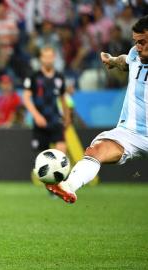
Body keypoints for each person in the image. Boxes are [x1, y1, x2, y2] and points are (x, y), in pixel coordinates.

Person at [46, 16, 148, 204]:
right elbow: (126, 61)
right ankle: (68, 186)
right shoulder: (135, 54)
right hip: (131, 133)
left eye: (142, 42)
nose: (138, 46)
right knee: (95, 151)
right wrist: (112, 60)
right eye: (136, 42)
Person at [23, 46, 70, 154]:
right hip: (40, 122)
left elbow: (63, 98)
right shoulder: (33, 77)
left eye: (50, 57)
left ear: (54, 58)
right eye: (45, 57)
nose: (48, 60)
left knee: (61, 154)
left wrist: (67, 118)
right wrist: (36, 116)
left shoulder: (59, 77)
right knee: (41, 158)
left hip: (55, 120)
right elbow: (26, 98)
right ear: (41, 58)